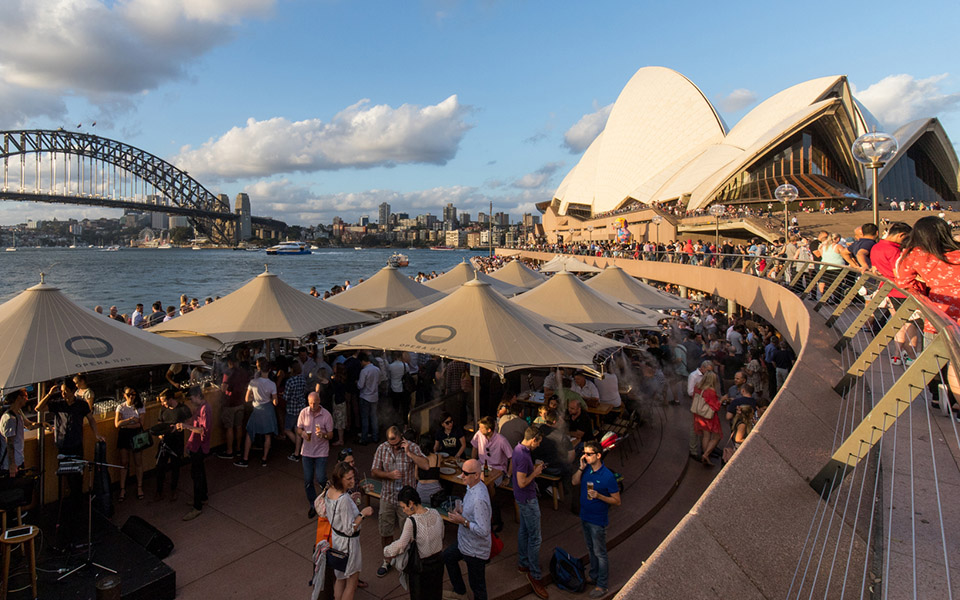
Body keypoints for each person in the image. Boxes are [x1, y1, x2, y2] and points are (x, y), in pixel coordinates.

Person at [36, 378, 104, 543]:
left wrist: (96, 434)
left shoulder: (81, 405)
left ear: (73, 391)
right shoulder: (58, 403)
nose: (63, 392)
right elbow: (38, 408)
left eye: (66, 390)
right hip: (63, 446)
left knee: (77, 481)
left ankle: (77, 511)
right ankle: (66, 511)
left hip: (76, 445)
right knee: (64, 478)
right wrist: (49, 394)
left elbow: (91, 419)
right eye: (62, 390)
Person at [371, 426, 424, 577]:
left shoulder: (412, 447)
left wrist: (408, 453)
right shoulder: (382, 448)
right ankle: (387, 560)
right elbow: (374, 471)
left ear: (401, 437)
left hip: (406, 502)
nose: (394, 447)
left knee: (407, 533)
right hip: (388, 496)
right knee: (385, 530)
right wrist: (388, 475)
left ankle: (406, 563)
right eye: (391, 444)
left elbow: (425, 464)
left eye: (396, 444)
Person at [571, 440, 621, 599]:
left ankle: (602, 585)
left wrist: (599, 496)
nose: (585, 456)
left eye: (588, 454)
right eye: (584, 453)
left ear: (598, 455)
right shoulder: (586, 470)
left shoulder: (607, 476)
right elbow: (574, 481)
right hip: (585, 516)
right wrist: (580, 467)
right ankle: (593, 575)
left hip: (598, 520)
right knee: (591, 548)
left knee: (600, 552)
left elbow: (617, 501)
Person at [323, 461, 374, 600]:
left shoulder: (330, 491)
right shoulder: (344, 499)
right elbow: (349, 529)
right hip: (349, 544)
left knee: (340, 578)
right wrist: (363, 514)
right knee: (352, 582)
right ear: (340, 479)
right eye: (349, 479)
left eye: (353, 477)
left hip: (337, 540)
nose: (353, 481)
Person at [383, 486, 445, 600]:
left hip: (421, 568)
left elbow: (401, 545)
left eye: (403, 507)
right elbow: (442, 535)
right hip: (438, 563)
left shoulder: (411, 522)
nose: (403, 510)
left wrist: (386, 551)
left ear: (411, 503)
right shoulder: (436, 513)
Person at [443, 458, 492, 600]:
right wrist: (461, 510)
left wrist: (462, 521)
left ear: (476, 475)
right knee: (448, 557)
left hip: (475, 550)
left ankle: (463, 593)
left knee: (478, 586)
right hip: (465, 542)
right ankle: (460, 592)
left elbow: (484, 531)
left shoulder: (479, 499)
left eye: (465, 473)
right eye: (461, 471)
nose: (461, 475)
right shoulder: (472, 486)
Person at [513, 427, 549, 599]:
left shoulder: (518, 448)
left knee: (524, 530)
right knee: (535, 538)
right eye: (539, 441)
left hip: (521, 498)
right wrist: (535, 472)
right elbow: (522, 482)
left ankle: (523, 563)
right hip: (528, 499)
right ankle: (535, 575)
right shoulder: (524, 456)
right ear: (533, 439)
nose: (539, 444)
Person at [236, 357, 278, 467]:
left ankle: (245, 458)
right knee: (268, 435)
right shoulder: (272, 384)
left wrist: (254, 398)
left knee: (250, 432)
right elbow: (275, 402)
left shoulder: (253, 382)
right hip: (268, 409)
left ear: (259, 369)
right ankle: (264, 458)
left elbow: (247, 399)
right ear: (269, 370)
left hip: (257, 408)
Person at [299, 391, 333, 518]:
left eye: (315, 403)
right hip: (307, 451)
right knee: (308, 480)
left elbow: (330, 435)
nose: (313, 405)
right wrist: (302, 433)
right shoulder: (304, 413)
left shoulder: (326, 415)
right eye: (311, 403)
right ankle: (313, 504)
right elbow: (298, 428)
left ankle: (329, 498)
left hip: (321, 451)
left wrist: (323, 435)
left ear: (319, 401)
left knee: (321, 478)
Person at [154, 389, 191, 502]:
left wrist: (181, 426)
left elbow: (190, 423)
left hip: (177, 442)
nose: (162, 404)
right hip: (165, 443)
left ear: (170, 399)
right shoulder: (163, 410)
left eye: (164, 401)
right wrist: (160, 434)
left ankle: (173, 490)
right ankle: (159, 491)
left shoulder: (183, 409)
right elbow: (160, 424)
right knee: (160, 466)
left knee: (175, 467)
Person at [180, 388, 211, 521]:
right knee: (200, 473)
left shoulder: (205, 409)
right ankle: (203, 497)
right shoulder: (200, 408)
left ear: (198, 396)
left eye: (192, 398)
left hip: (199, 447)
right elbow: (194, 425)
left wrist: (186, 426)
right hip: (195, 445)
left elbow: (202, 430)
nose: (191, 402)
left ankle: (197, 507)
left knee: (197, 476)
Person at [115, 387, 147, 501]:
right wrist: (131, 420)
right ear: (124, 395)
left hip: (135, 435)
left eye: (133, 394)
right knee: (124, 462)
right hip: (124, 435)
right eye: (129, 395)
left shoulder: (140, 406)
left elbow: (141, 424)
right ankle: (122, 488)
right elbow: (117, 424)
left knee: (138, 461)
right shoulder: (121, 407)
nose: (131, 397)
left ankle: (139, 487)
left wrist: (125, 424)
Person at [1, 388, 41, 477]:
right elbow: (10, 443)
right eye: (25, 396)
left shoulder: (18, 413)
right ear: (19, 398)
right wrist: (12, 465)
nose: (27, 399)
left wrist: (42, 425)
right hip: (10, 465)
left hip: (18, 460)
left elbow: (29, 425)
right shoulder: (9, 419)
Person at [218, 354, 249, 459]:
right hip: (240, 402)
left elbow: (223, 388)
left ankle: (230, 451)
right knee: (239, 426)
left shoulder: (228, 373)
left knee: (229, 427)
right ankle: (239, 448)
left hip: (229, 404)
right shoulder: (243, 372)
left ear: (230, 362)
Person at [693, 371, 722, 468]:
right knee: (716, 436)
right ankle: (706, 454)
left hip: (699, 415)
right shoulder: (711, 391)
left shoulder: (697, 387)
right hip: (709, 417)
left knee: (706, 436)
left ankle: (706, 456)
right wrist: (722, 400)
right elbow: (716, 407)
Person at [407, 433, 443, 504]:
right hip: (434, 494)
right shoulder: (438, 457)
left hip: (421, 493)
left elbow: (416, 476)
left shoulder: (419, 458)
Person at [283, 361, 308, 461]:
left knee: (287, 429)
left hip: (292, 408)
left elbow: (286, 396)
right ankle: (298, 451)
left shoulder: (290, 381)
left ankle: (299, 447)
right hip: (301, 407)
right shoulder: (303, 379)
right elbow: (305, 391)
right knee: (298, 429)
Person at [357, 353, 381, 445]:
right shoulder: (377, 369)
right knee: (374, 417)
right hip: (374, 396)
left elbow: (360, 385)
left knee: (365, 418)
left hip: (365, 396)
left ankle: (364, 438)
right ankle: (375, 436)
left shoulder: (364, 371)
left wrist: (357, 383)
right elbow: (379, 382)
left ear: (363, 361)